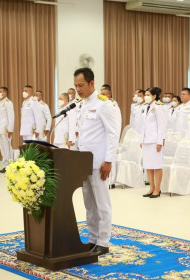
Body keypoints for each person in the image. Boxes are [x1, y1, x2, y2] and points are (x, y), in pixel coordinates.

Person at [74, 68, 120, 255]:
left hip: (100, 163)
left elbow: (112, 133)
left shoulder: (104, 105)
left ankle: (103, 241)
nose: (78, 89)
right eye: (76, 85)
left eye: (81, 85)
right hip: (84, 163)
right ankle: (93, 238)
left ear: (92, 83)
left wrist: (108, 160)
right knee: (89, 204)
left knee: (102, 204)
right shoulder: (82, 105)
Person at [140, 87, 168, 198]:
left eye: (148, 94)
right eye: (145, 94)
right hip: (146, 140)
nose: (145, 96)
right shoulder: (144, 107)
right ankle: (151, 188)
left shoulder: (159, 107)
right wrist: (141, 140)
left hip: (155, 140)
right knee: (148, 166)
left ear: (154, 96)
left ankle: (158, 189)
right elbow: (142, 125)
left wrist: (160, 141)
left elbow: (162, 125)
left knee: (156, 166)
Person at [0, 87, 14, 173]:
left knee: (7, 148)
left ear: (5, 93)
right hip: (0, 128)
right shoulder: (0, 102)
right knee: (2, 147)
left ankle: (9, 166)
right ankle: (5, 165)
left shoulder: (8, 103)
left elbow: (11, 117)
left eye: (1, 92)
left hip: (6, 129)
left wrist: (10, 129)